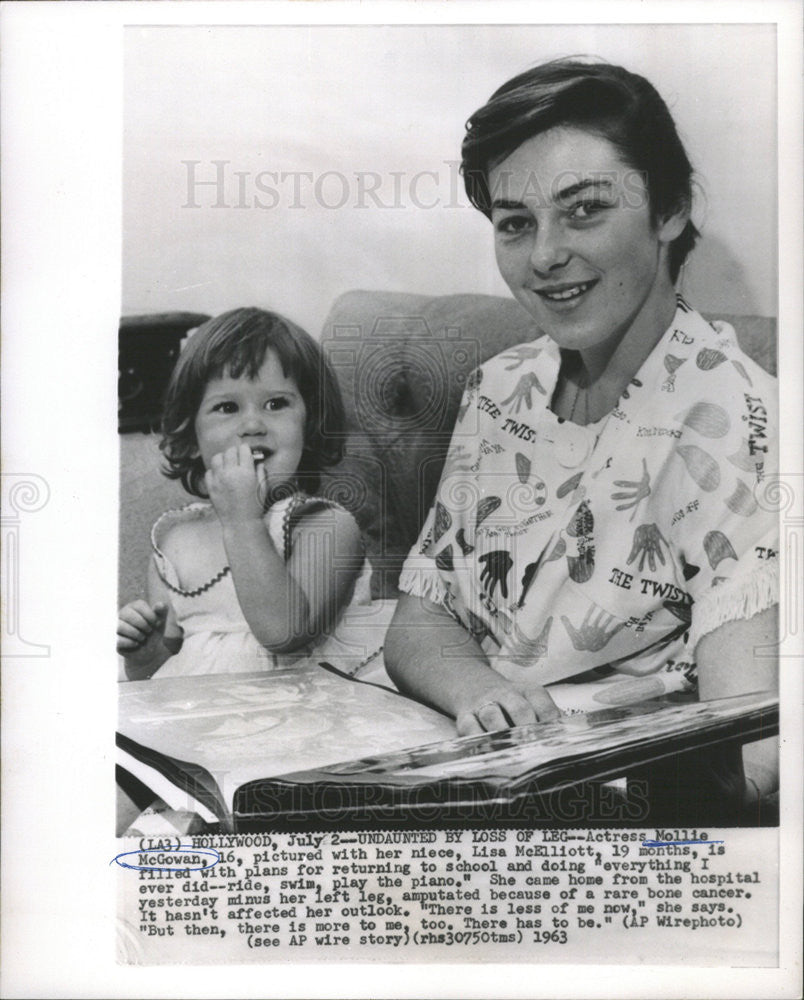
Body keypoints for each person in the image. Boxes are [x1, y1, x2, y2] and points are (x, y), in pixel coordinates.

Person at [385, 58, 778, 815]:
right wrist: (486, 694)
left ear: (668, 210)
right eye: (516, 224)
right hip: (458, 754)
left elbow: (750, 743)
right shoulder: (500, 387)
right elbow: (422, 618)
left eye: (585, 209)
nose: (543, 257)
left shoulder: (748, 425)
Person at [116, 307, 380, 680]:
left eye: (276, 404)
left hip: (303, 709)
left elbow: (283, 633)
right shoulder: (174, 541)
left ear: (312, 421)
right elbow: (169, 669)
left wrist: (242, 519)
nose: (253, 424)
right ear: (191, 438)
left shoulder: (326, 526)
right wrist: (145, 656)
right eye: (227, 407)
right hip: (211, 716)